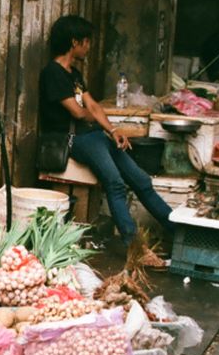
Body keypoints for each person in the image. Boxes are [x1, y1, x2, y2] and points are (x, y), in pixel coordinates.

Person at [39, 15, 172, 261]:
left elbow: (94, 107)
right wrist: (101, 125)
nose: (88, 47)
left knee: (141, 180)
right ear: (74, 42)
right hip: (74, 139)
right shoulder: (52, 74)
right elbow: (79, 112)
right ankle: (134, 246)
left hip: (94, 135)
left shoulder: (74, 74)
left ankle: (177, 230)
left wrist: (113, 131)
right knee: (115, 183)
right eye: (86, 41)